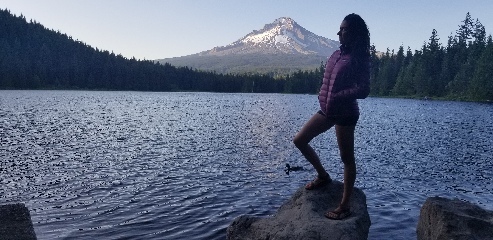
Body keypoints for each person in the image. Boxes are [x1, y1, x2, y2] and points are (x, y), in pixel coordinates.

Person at [293, 13, 370, 220]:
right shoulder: (336, 54)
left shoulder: (360, 57)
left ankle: (344, 206)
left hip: (346, 113)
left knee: (346, 158)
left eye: (344, 29)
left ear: (354, 33)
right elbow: (328, 81)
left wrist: (339, 95)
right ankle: (323, 176)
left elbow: (364, 90)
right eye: (339, 29)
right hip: (328, 110)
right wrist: (324, 94)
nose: (339, 33)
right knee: (299, 140)